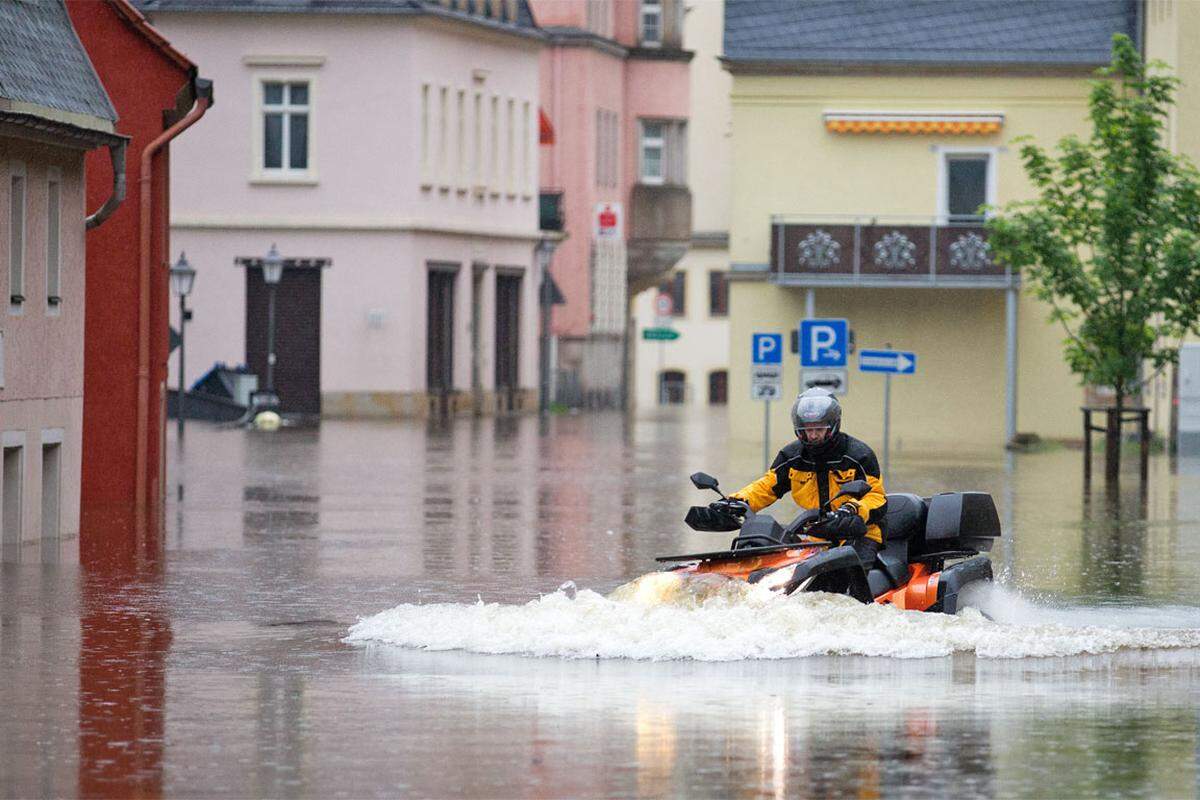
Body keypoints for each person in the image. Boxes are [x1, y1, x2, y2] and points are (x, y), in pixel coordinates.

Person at [720, 387, 887, 572]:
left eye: (818, 429)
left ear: (833, 425)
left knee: (850, 578)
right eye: (807, 429)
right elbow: (766, 487)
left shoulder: (858, 455)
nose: (813, 435)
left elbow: (877, 498)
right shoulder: (791, 456)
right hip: (816, 537)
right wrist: (734, 502)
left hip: (861, 533)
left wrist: (852, 510)